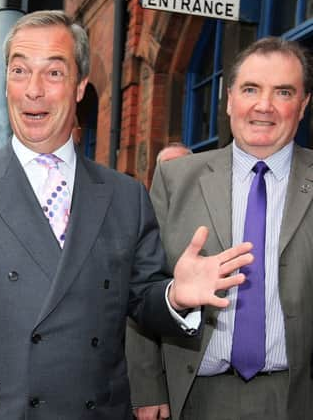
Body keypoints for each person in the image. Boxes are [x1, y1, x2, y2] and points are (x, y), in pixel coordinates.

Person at [0, 11, 252, 419]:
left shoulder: (126, 196)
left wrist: (175, 297)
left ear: (79, 87)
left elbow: (144, 299)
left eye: (53, 73)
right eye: (19, 71)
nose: (32, 90)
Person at [126, 36, 313, 420]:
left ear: (304, 105)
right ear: (229, 100)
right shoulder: (175, 179)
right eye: (250, 89)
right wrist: (146, 389)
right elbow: (140, 289)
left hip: (296, 398)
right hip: (195, 396)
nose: (264, 105)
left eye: (283, 92)